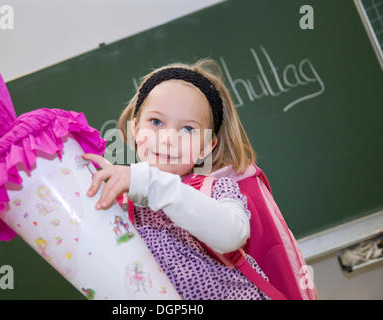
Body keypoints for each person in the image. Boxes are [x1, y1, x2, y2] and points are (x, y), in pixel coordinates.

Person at [82, 59, 318, 300]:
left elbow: (230, 235)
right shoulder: (122, 207)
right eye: (156, 122)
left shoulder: (217, 189)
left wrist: (151, 183)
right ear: (135, 129)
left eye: (187, 129)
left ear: (206, 147)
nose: (168, 138)